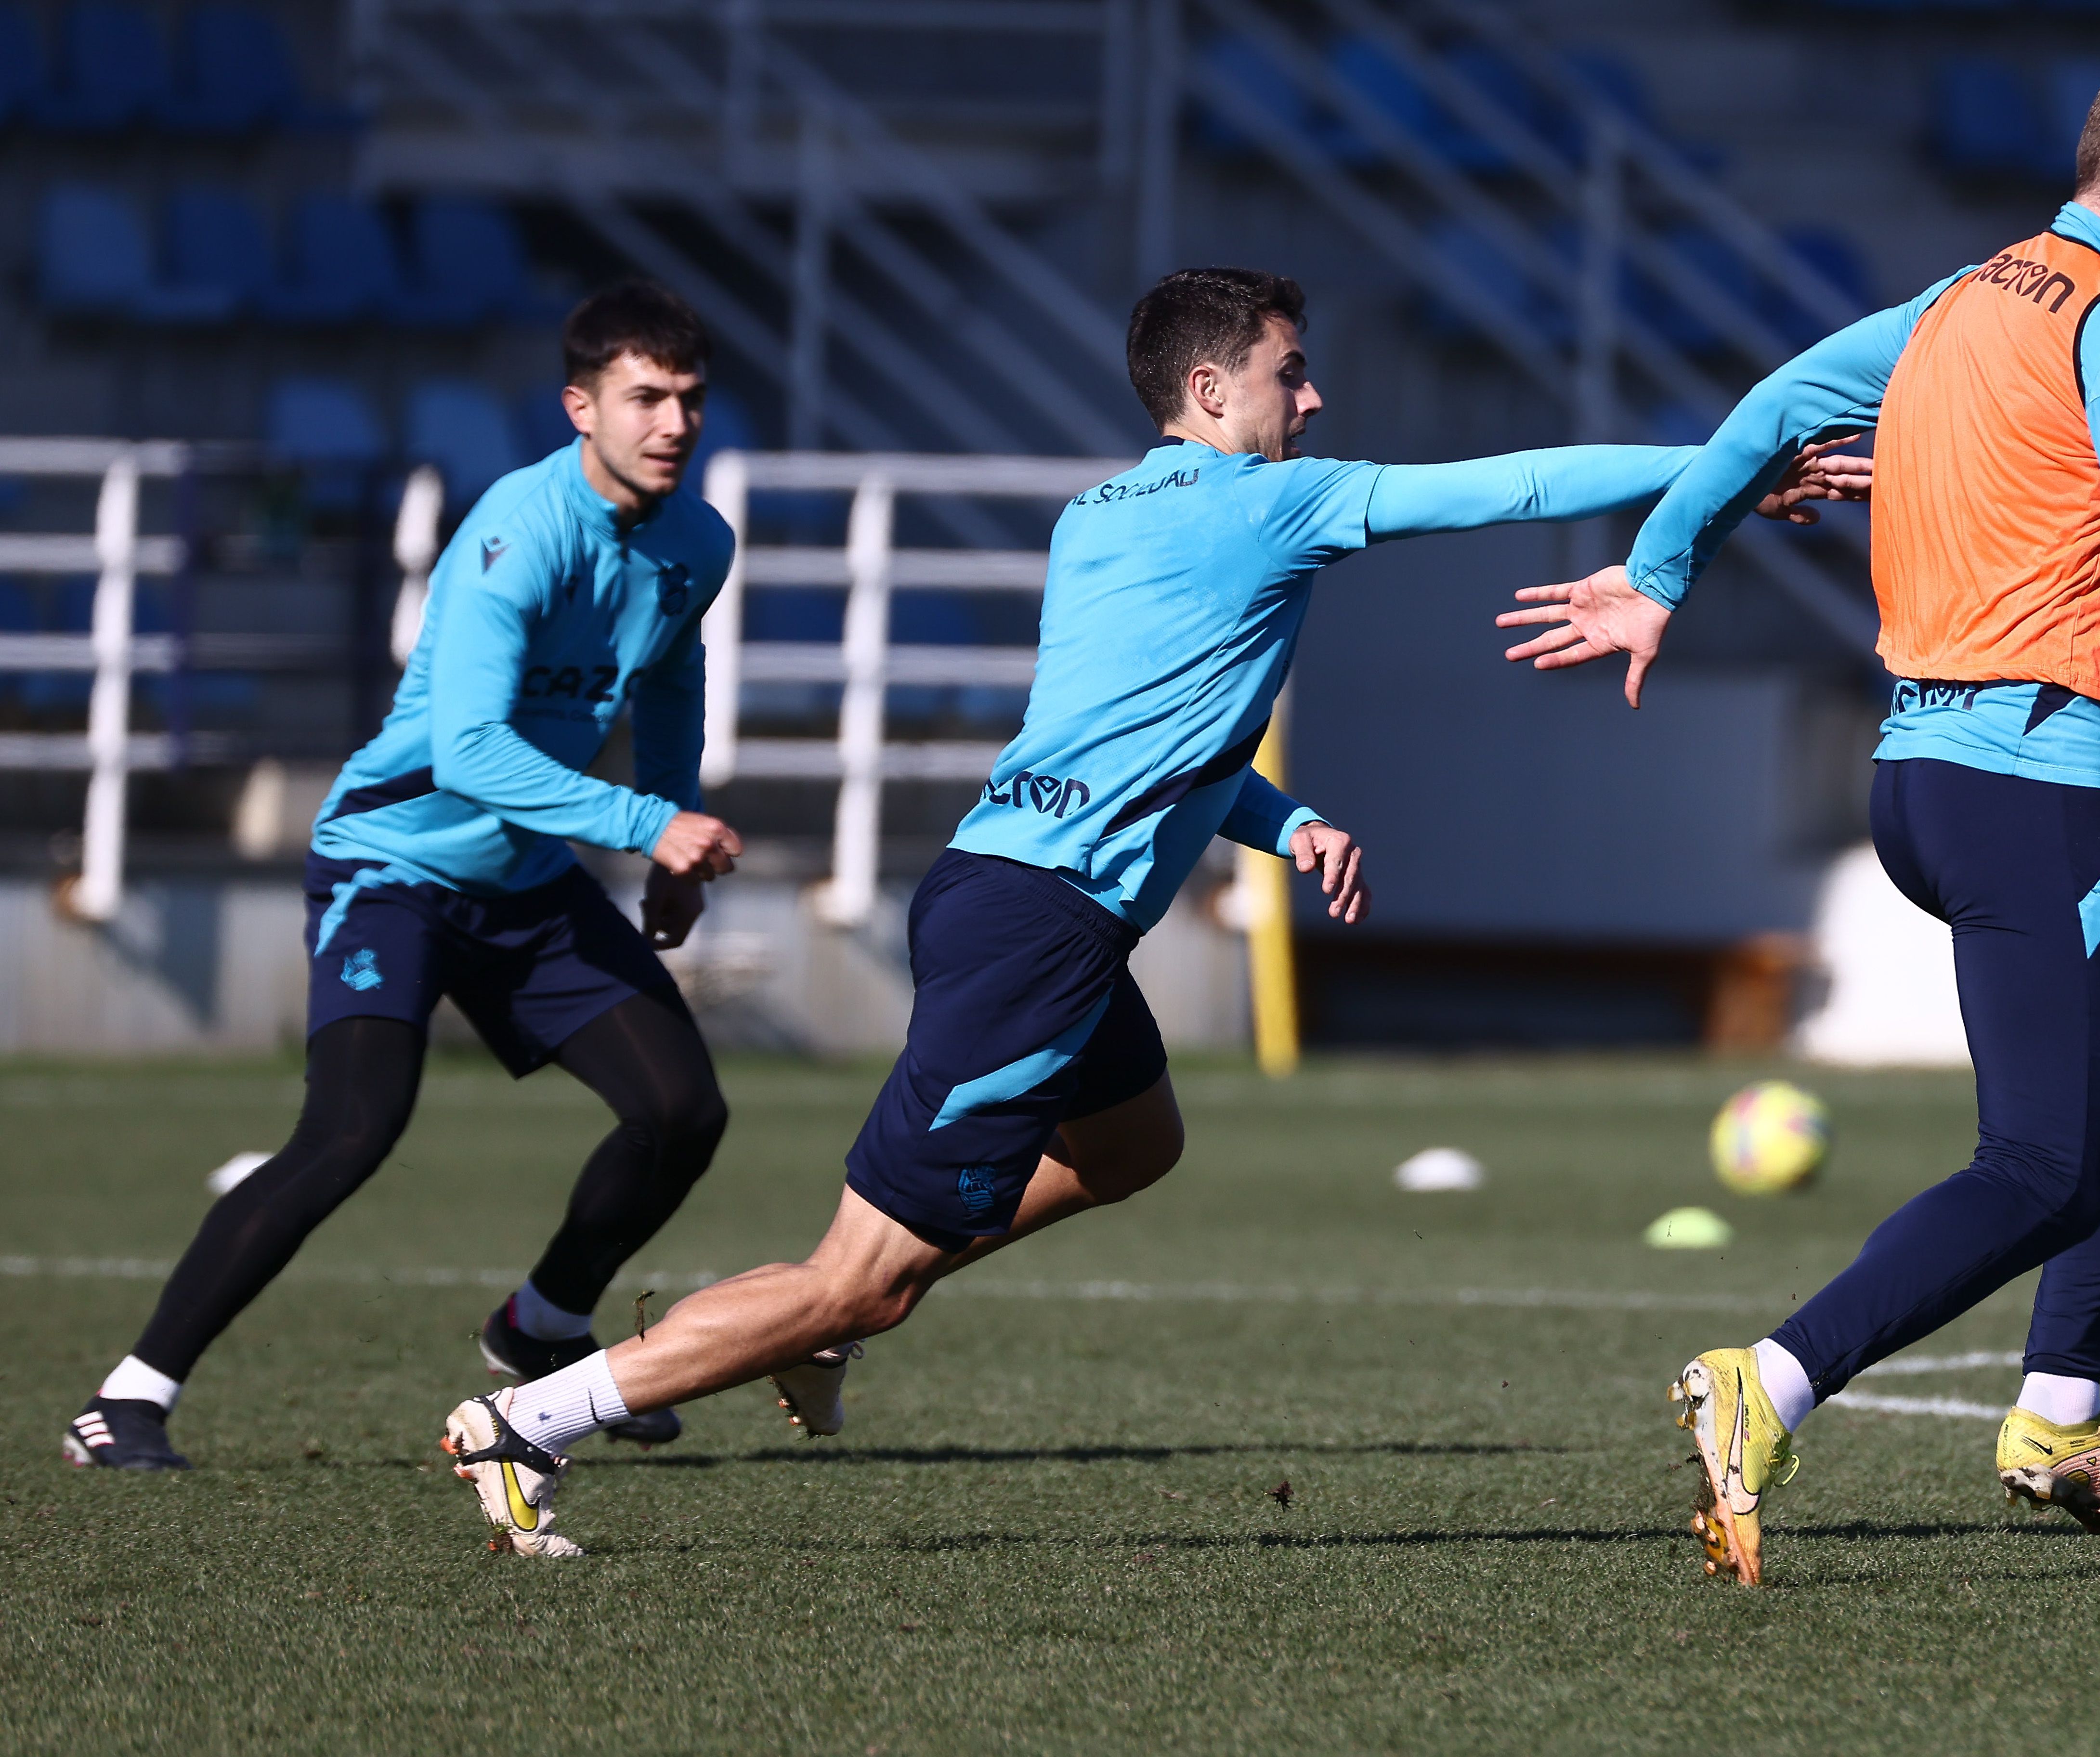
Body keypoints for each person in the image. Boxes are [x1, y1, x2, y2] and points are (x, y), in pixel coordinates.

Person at [427, 266, 1864, 1556]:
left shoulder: (1096, 517)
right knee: (854, 1279)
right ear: (1210, 387)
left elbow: (1139, 745)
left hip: (1007, 898)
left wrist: (1286, 820)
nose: (1315, 397)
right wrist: (1733, 469)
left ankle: (840, 1306)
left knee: (1132, 1142)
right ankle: (532, 1423)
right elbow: (1514, 484)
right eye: (1292, 372)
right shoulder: (1274, 502)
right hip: (1039, 930)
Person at [1500, 54, 2100, 1585]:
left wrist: (1660, 569)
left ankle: (2056, 1411)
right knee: (2040, 1166)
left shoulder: (1964, 299)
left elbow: (1777, 405)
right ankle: (1767, 1385)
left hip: (1922, 785)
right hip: (2035, 797)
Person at [64, 282, 749, 1471]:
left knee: (682, 1111)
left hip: (526, 877)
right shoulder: (516, 532)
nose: (673, 422)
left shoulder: (698, 540)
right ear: (580, 406)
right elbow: (470, 751)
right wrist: (644, 820)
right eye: (645, 397)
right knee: (349, 1130)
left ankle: (541, 1329)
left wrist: (676, 833)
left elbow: (674, 682)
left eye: (689, 398)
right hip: (393, 866)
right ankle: (125, 1399)